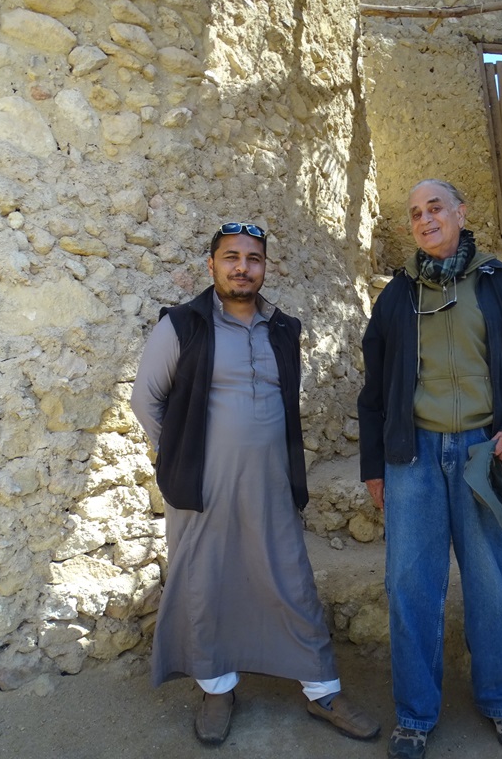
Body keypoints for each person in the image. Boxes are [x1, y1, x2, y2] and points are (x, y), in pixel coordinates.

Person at [131, 221, 380, 747]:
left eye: (253, 258)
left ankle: (323, 691)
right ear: (212, 266)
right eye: (231, 257)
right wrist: (180, 456)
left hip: (270, 483)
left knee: (291, 580)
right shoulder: (182, 326)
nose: (242, 266)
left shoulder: (284, 328)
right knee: (205, 583)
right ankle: (218, 689)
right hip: (202, 487)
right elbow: (146, 400)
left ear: (265, 268)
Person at [358, 181, 502, 759]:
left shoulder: (500, 284)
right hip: (414, 456)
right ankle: (415, 714)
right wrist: (374, 465)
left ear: (460, 214)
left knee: (490, 584)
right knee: (410, 586)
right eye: (415, 214)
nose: (426, 220)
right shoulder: (397, 296)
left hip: (484, 452)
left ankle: (501, 701)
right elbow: (374, 390)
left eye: (436, 209)